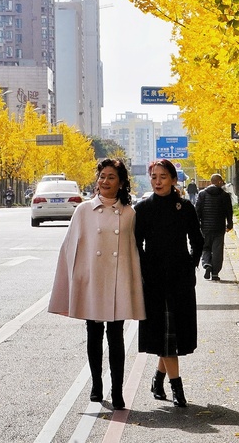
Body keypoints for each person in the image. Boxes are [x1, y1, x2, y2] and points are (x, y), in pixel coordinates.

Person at [49, 159, 145, 407]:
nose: (105, 181)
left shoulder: (129, 213)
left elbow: (134, 250)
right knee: (93, 332)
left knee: (116, 335)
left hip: (117, 280)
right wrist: (75, 278)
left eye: (111, 177)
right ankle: (96, 384)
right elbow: (70, 247)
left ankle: (117, 390)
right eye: (102, 176)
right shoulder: (83, 210)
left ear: (121, 183)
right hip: (92, 278)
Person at [135, 158, 203, 408]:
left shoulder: (185, 207)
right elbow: (136, 244)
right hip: (154, 279)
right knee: (164, 334)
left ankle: (158, 380)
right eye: (154, 177)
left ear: (174, 180)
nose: (158, 181)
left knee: (172, 335)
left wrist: (190, 265)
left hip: (180, 279)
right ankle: (177, 388)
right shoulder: (142, 209)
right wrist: (145, 269)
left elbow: (197, 240)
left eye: (163, 177)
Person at [195, 173, 233, 282]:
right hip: (219, 228)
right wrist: (229, 224)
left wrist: (197, 225)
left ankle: (207, 264)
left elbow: (197, 211)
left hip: (205, 228)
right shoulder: (225, 195)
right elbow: (229, 212)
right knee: (217, 250)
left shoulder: (202, 194)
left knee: (205, 248)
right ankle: (215, 273)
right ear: (219, 182)